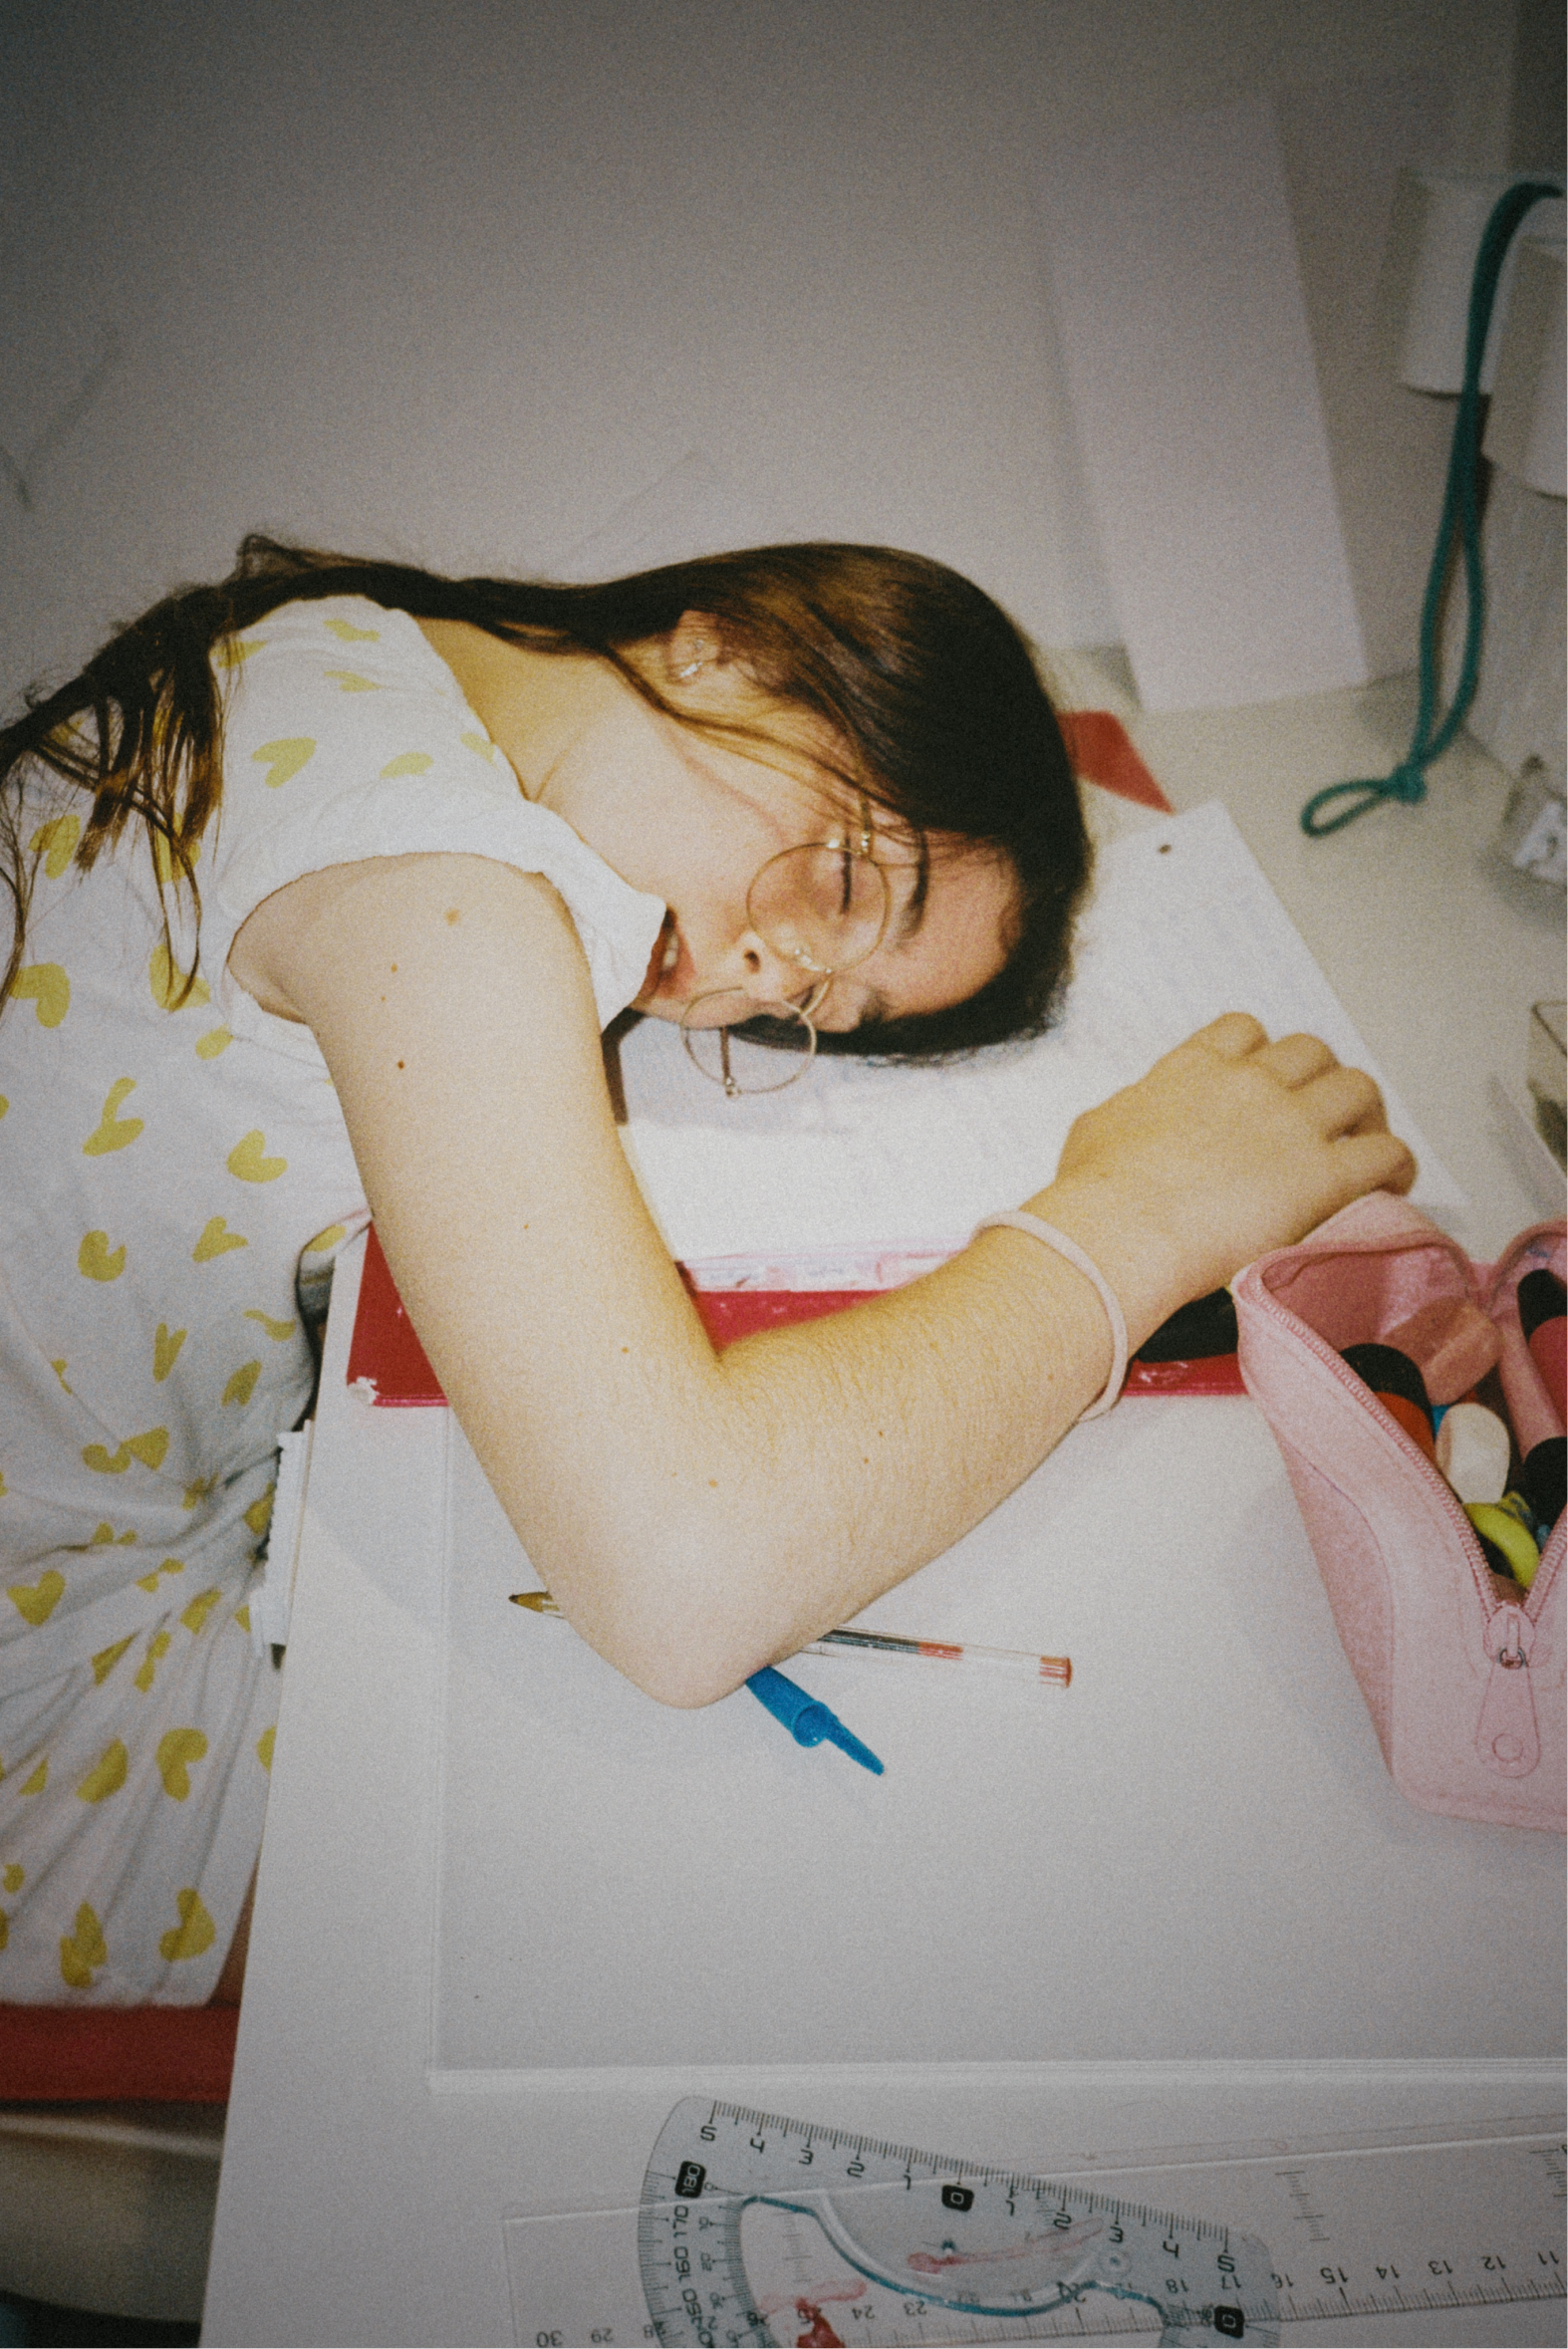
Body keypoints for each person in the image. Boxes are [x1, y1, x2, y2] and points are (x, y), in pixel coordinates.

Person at [0, 535, 1415, 2007]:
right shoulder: (438, 889)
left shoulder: (349, 647)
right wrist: (1132, 1217)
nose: (761, 978)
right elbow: (684, 1575)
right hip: (57, 1700)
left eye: (823, 999)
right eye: (849, 883)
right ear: (723, 645)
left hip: (113, 1524)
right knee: (776, 1895)